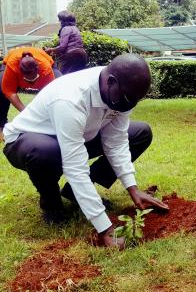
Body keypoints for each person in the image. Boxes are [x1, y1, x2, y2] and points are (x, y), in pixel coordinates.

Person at [2, 53, 169, 248]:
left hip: (78, 135)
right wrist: (105, 228)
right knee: (46, 152)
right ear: (111, 82)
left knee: (139, 132)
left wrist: (132, 187)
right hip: (27, 140)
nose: (128, 105)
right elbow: (75, 165)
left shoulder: (122, 92)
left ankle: (74, 192)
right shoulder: (71, 98)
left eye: (134, 101)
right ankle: (51, 203)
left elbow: (116, 141)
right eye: (127, 99)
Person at [0, 47, 61, 140]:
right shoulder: (12, 67)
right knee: (1, 89)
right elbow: (9, 92)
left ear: (38, 70)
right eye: (28, 79)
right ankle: (1, 125)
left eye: (34, 79)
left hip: (45, 62)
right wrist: (26, 112)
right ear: (20, 73)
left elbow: (50, 93)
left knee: (59, 85)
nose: (32, 83)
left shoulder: (45, 68)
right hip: (11, 62)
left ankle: (56, 123)